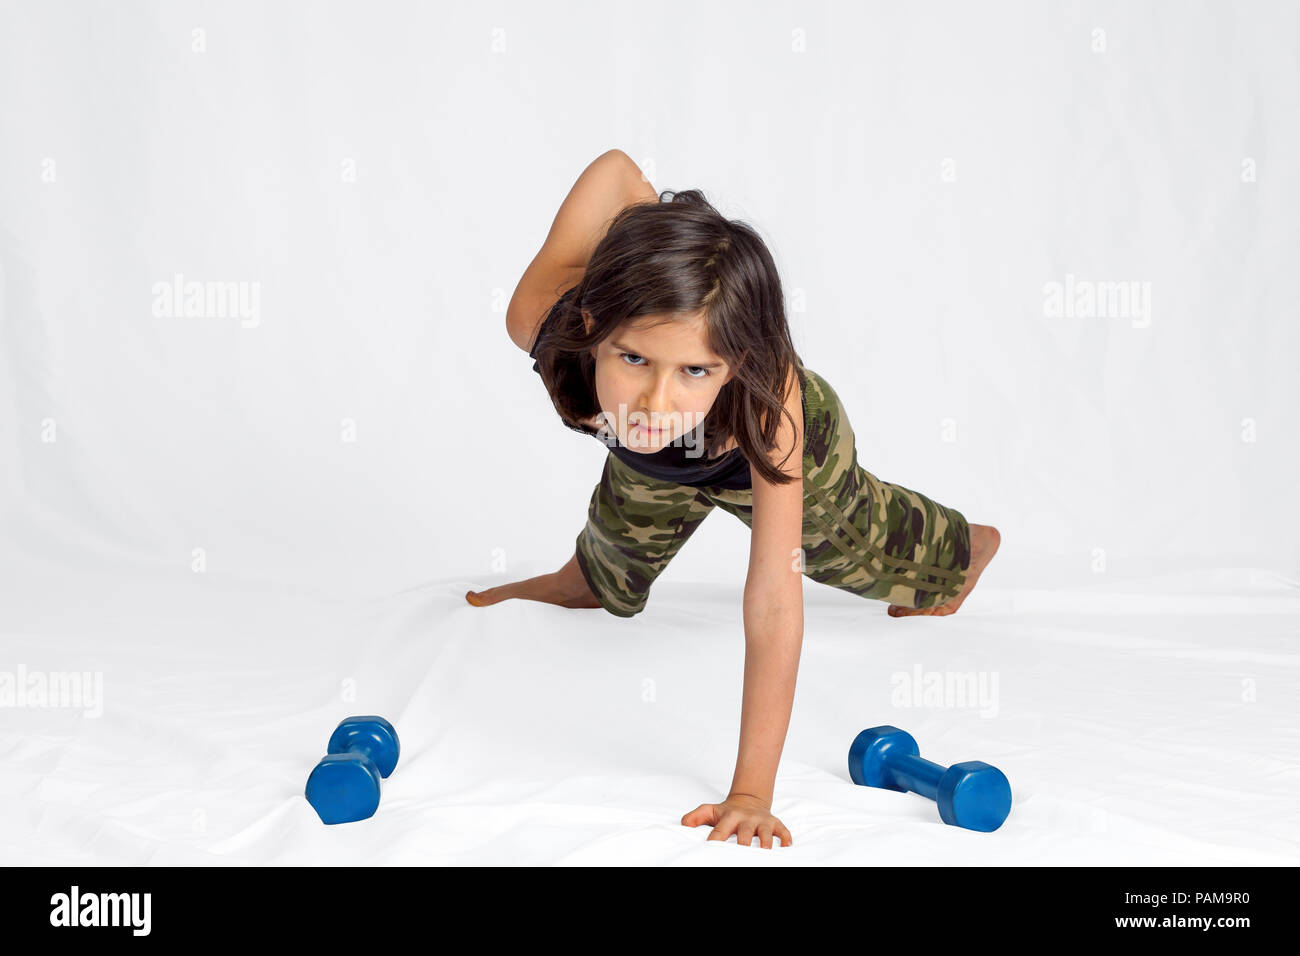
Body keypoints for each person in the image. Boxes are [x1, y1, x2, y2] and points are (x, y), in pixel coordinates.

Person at [468, 150, 1001, 849]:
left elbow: (773, 601)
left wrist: (751, 790)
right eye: (633, 359)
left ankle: (961, 554)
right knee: (613, 565)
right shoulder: (537, 317)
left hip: (765, 454)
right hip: (655, 468)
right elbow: (617, 169)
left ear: (734, 364)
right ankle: (587, 580)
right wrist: (663, 240)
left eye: (695, 369)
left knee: (859, 548)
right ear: (594, 323)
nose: (656, 401)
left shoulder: (769, 405)